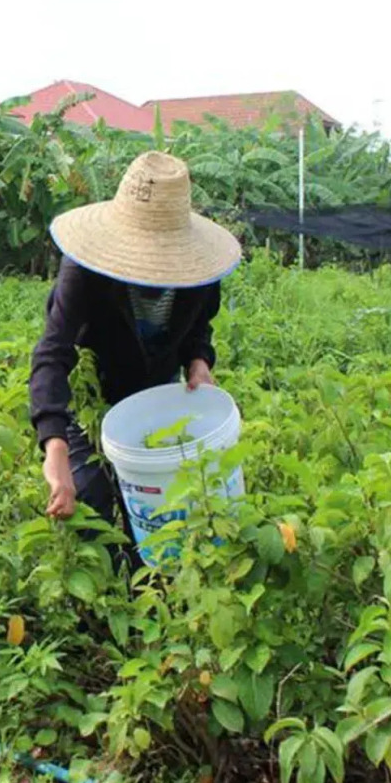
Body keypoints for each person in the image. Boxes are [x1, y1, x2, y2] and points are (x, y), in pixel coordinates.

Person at [29, 151, 242, 571]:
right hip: (89, 393)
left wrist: (198, 361)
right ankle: (112, 608)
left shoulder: (200, 275)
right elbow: (53, 352)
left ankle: (158, 593)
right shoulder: (84, 271)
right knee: (92, 499)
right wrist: (54, 444)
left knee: (155, 505)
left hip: (151, 394)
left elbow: (200, 328)